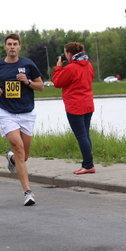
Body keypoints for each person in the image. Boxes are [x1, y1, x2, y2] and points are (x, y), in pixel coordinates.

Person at [0, 33, 44, 206]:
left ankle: (11, 159)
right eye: (9, 44)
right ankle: (28, 192)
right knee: (19, 148)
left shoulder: (27, 64)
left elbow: (40, 86)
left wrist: (27, 81)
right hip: (6, 113)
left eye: (15, 44)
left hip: (27, 113)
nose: (12, 47)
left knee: (23, 157)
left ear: (19, 47)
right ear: (5, 47)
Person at [52, 42, 95, 175]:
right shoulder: (88, 65)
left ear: (70, 54)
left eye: (65, 53)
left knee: (81, 136)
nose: (64, 56)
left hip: (75, 106)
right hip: (88, 104)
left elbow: (57, 83)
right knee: (85, 135)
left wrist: (58, 67)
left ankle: (88, 165)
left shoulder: (71, 68)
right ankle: (88, 163)